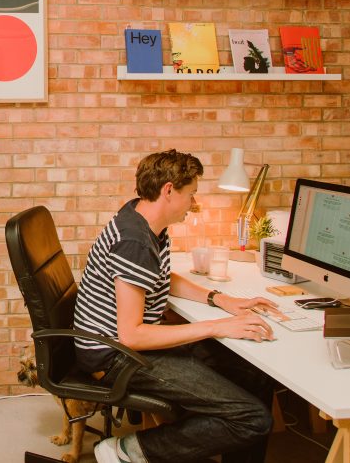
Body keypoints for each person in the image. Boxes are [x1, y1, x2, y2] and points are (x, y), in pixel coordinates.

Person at [74, 149, 280, 463]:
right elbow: (132, 336)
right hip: (118, 357)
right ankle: (125, 451)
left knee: (257, 375)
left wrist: (220, 299)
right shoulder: (135, 241)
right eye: (191, 194)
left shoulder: (142, 218)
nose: (194, 204)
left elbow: (159, 277)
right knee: (253, 418)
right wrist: (215, 326)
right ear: (169, 190)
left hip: (126, 346)